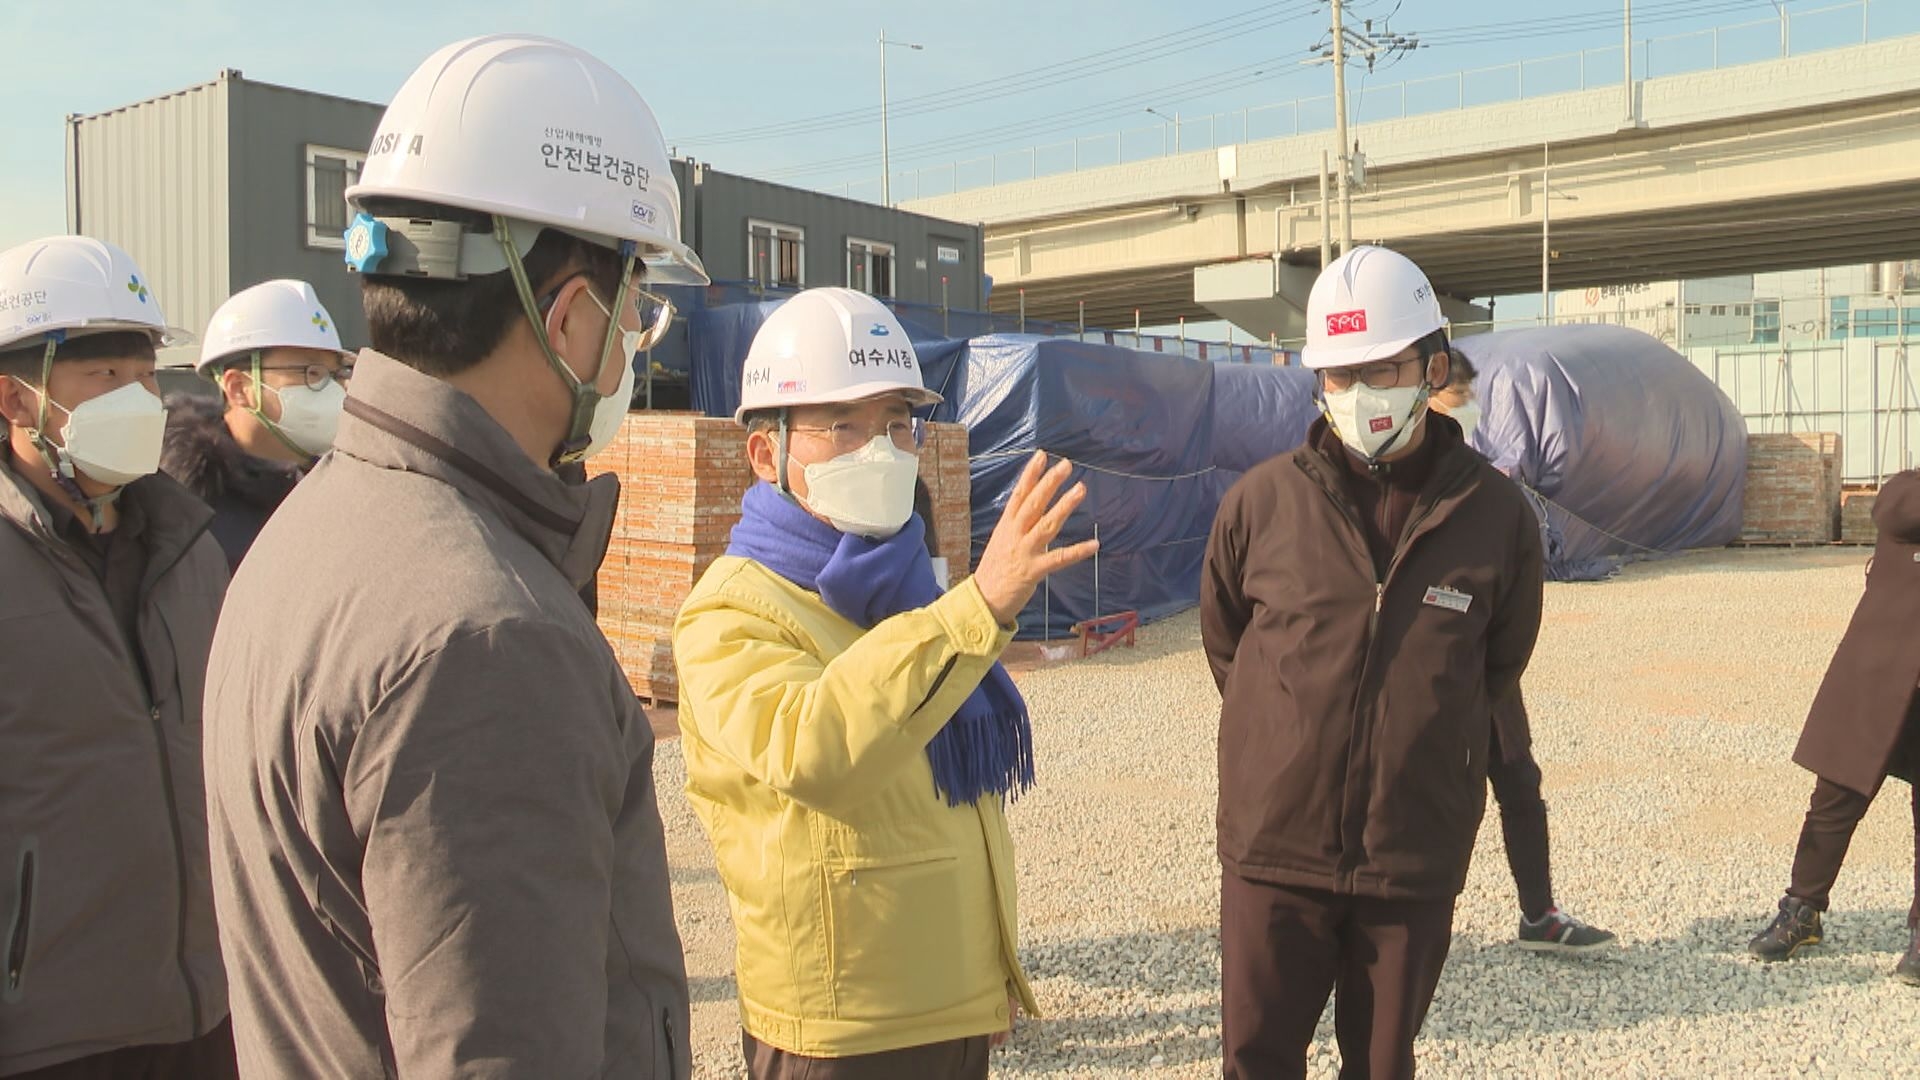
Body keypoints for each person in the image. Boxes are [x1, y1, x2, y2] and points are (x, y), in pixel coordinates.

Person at [202, 34, 707, 1077]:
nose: (627, 355)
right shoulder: (487, 638)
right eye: (634, 313)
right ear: (569, 319)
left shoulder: (308, 527)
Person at [672, 287, 1096, 1079]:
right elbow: (817, 749)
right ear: (766, 454)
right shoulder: (730, 611)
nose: (882, 450)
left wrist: (982, 975)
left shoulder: (900, 583)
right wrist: (976, 608)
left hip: (943, 1015)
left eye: (898, 424)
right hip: (837, 1034)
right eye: (846, 427)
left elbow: (943, 811)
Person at [1201, 245, 1545, 1080]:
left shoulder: (1494, 515)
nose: (1359, 395)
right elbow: (1226, 642)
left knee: (1384, 1066)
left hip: (1411, 852)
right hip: (1275, 849)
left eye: (1381, 369)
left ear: (1431, 367)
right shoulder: (1262, 502)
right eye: (1338, 376)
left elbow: (1498, 665)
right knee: (1256, 1061)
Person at [0, 236, 236, 1077]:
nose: (137, 399)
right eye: (102, 379)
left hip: (214, 1007)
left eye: (145, 376)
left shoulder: (189, 547)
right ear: (14, 399)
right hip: (54, 1033)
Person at [1427, 351, 1618, 954]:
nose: (1469, 406)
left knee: (1517, 778)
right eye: (1460, 393)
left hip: (1487, 664)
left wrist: (1499, 669)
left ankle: (1539, 913)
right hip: (1426, 667)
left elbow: (1519, 593)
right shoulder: (1402, 481)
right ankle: (1403, 924)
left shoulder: (1486, 483)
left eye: (1468, 395)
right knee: (1428, 793)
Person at [1748, 468, 1920, 980]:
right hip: (1876, 680)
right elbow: (1893, 508)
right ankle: (1802, 909)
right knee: (1834, 801)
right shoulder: (1905, 495)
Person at [160, 279, 354, 569]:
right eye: (312, 373)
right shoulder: (181, 510)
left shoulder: (348, 495)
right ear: (238, 387)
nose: (334, 390)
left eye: (337, 374)